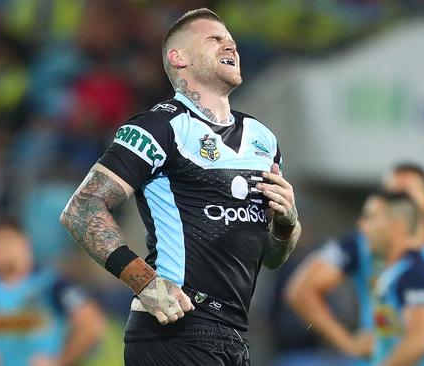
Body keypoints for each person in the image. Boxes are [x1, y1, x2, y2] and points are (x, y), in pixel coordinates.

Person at [60, 8, 300, 366]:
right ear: (179, 58)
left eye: (231, 41)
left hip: (233, 335)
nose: (230, 45)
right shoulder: (159, 127)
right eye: (214, 39)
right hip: (175, 328)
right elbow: (82, 208)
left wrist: (287, 223)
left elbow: (271, 258)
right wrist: (144, 282)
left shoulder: (263, 139)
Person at [285, 162, 424, 364]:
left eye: (404, 195)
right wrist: (348, 343)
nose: (393, 201)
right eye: (390, 194)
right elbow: (301, 290)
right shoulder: (361, 245)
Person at [0, 217, 105, 366]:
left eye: (6, 241)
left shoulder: (51, 284)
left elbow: (91, 324)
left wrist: (60, 361)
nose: (0, 249)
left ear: (25, 242)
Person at [359, 191, 424, 365]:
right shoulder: (398, 272)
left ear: (396, 226)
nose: (363, 226)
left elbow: (420, 341)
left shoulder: (414, 274)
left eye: (372, 218)